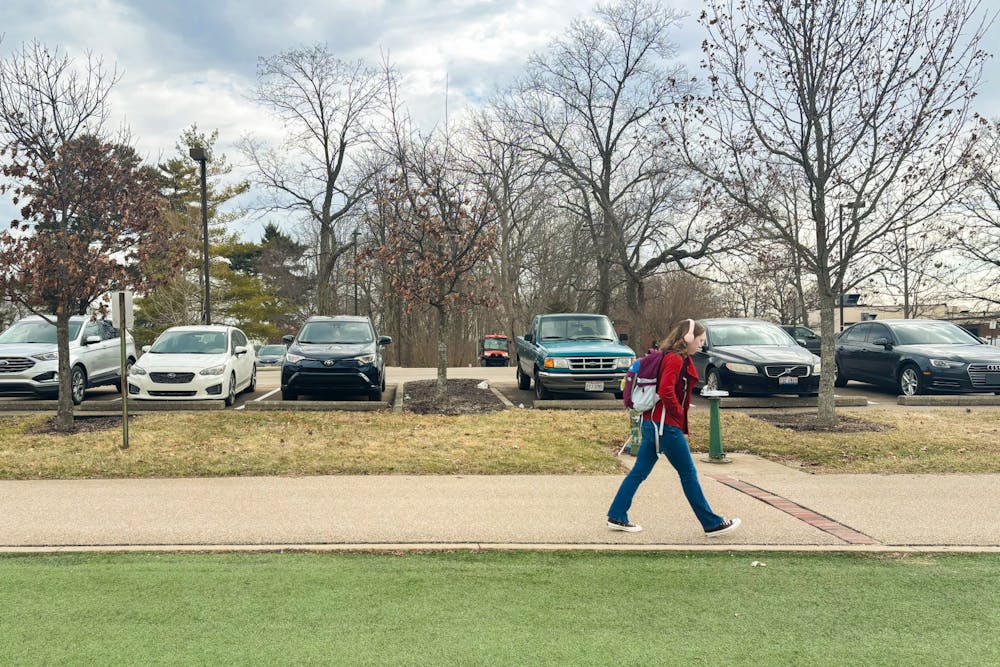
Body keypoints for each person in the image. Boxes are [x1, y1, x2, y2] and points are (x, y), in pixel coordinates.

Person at [607, 319, 741, 537]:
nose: (700, 345)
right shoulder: (675, 360)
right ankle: (711, 523)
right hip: (664, 426)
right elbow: (666, 390)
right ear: (687, 338)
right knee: (688, 473)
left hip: (651, 424)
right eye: (699, 340)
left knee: (639, 472)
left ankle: (617, 515)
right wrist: (678, 414)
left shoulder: (669, 357)